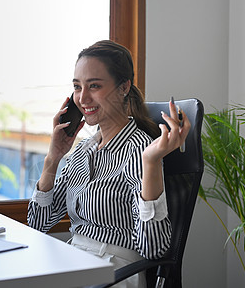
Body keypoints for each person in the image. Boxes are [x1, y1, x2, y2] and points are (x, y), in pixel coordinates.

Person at [27, 40, 190, 287]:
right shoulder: (82, 151)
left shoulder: (140, 149)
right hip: (74, 262)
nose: (82, 98)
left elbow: (154, 250)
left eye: (94, 86)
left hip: (114, 272)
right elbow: (38, 223)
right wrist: (53, 159)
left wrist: (151, 161)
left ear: (123, 87)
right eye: (77, 86)